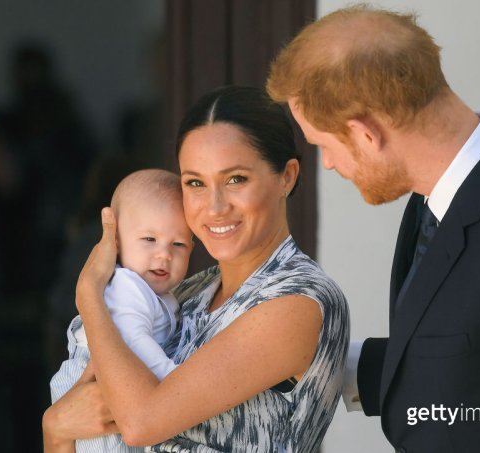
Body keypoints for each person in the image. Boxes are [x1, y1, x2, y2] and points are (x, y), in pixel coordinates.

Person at [266, 5, 480, 453]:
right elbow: (464, 362)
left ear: (366, 133)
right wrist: (308, 358)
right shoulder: (442, 194)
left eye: (324, 146)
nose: (328, 164)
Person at [42, 86, 350, 453]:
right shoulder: (184, 294)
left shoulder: (297, 300)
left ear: (287, 176)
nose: (215, 207)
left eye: (236, 179)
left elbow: (140, 423)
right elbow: (82, 431)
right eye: (195, 183)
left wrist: (89, 295)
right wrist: (55, 428)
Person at [49, 168, 192, 452]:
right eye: (149, 239)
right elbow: (134, 341)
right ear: (115, 242)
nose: (164, 254)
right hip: (94, 389)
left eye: (178, 244)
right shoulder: (128, 286)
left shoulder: (162, 294)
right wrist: (176, 384)